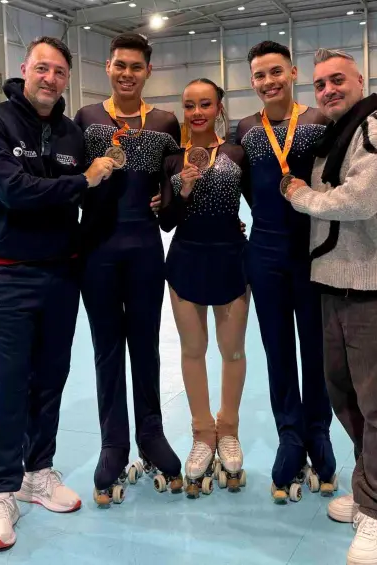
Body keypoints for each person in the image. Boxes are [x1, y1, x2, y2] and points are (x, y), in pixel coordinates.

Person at [0, 36, 116, 550]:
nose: (49, 78)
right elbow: (12, 190)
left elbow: (82, 196)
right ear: (25, 70)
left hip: (61, 274)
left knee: (51, 377)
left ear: (67, 80)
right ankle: (2, 491)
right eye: (42, 68)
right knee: (7, 381)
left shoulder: (74, 135)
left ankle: (39, 471)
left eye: (59, 72)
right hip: (5, 274)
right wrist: (82, 183)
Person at [283, 48, 377, 565]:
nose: (328, 91)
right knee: (348, 397)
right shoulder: (335, 135)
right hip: (335, 283)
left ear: (360, 79)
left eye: (337, 80)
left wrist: (300, 195)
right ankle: (376, 486)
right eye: (319, 85)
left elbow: (360, 199)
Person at [73, 32, 183, 506]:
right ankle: (113, 444)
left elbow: (173, 190)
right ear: (108, 67)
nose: (126, 73)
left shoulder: (164, 122)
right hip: (96, 249)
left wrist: (169, 201)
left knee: (145, 347)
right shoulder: (86, 119)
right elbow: (72, 181)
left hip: (143, 248)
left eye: (136, 67)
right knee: (106, 349)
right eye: (119, 65)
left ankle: (152, 436)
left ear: (148, 72)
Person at [234, 40, 337, 503]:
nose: (268, 82)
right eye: (259, 75)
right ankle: (290, 435)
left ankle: (319, 432)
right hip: (266, 252)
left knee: (316, 349)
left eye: (275, 72)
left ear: (292, 72)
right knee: (277, 350)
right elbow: (241, 186)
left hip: (315, 252)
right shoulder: (246, 128)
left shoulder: (319, 120)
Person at [158, 78, 251, 498]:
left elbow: (262, 203)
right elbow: (166, 221)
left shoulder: (237, 153)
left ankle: (228, 428)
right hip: (186, 260)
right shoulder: (172, 159)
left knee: (232, 351)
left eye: (205, 104)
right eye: (190, 105)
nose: (197, 112)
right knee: (192, 351)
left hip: (231, 259)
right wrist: (185, 188)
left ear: (218, 108)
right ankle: (202, 434)